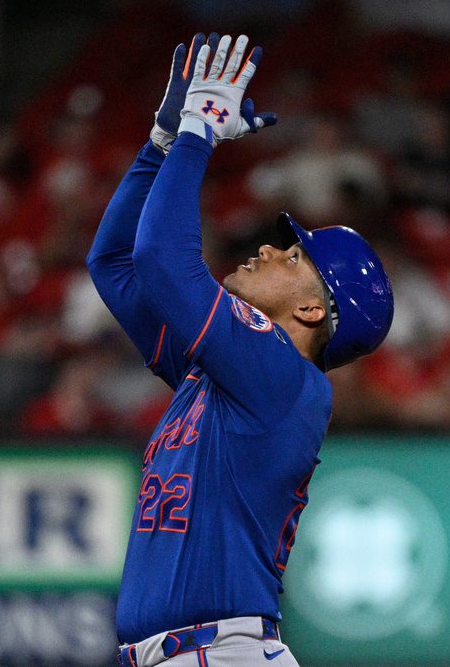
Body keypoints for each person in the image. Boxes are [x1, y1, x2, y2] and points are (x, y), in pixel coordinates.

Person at [86, 34, 394, 667]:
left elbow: (159, 260)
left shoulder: (282, 377)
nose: (270, 249)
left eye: (296, 255)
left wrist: (199, 133)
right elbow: (113, 265)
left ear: (312, 310)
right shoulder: (227, 374)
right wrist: (161, 145)